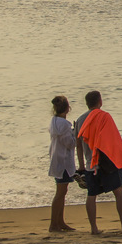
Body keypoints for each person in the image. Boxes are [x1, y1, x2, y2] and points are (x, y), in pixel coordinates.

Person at [74, 90, 122, 236]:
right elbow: (112, 139)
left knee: (91, 195)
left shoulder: (80, 120)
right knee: (119, 193)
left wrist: (81, 166)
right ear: (100, 102)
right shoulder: (105, 116)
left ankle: (94, 228)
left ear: (87, 103)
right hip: (107, 163)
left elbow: (78, 144)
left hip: (90, 164)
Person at [46, 95, 77, 232]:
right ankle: (54, 223)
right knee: (60, 192)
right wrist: (75, 133)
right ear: (67, 109)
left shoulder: (54, 121)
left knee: (62, 192)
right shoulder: (64, 124)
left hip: (56, 159)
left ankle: (60, 221)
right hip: (63, 161)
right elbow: (70, 144)